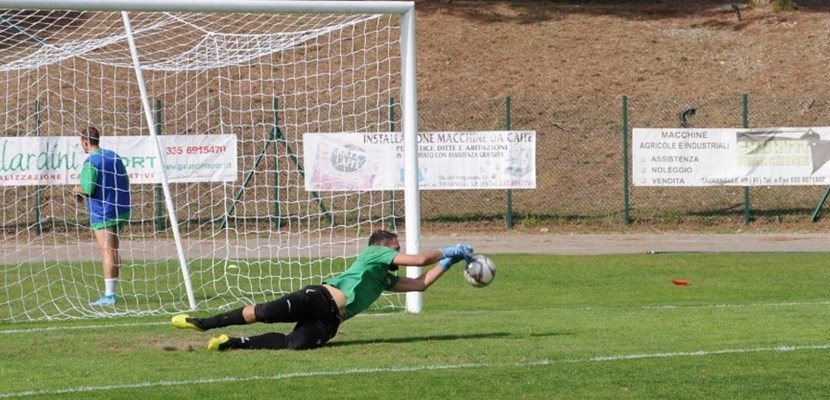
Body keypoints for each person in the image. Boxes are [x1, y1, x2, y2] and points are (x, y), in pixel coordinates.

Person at [171, 230, 473, 351]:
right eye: (396, 248)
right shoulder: (373, 254)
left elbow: (420, 283)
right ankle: (204, 323)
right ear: (382, 248)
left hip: (329, 322)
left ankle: (231, 343)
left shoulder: (383, 279)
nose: (399, 252)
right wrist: (449, 248)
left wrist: (448, 262)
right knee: (265, 312)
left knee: (295, 344)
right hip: (318, 298)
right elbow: (418, 261)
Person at [72, 126, 131, 306]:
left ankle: (109, 295)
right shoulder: (114, 156)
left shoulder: (91, 162)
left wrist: (75, 189)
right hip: (121, 208)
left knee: (107, 251)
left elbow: (88, 188)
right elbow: (125, 180)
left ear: (85, 142)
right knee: (113, 249)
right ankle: (111, 292)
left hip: (103, 211)